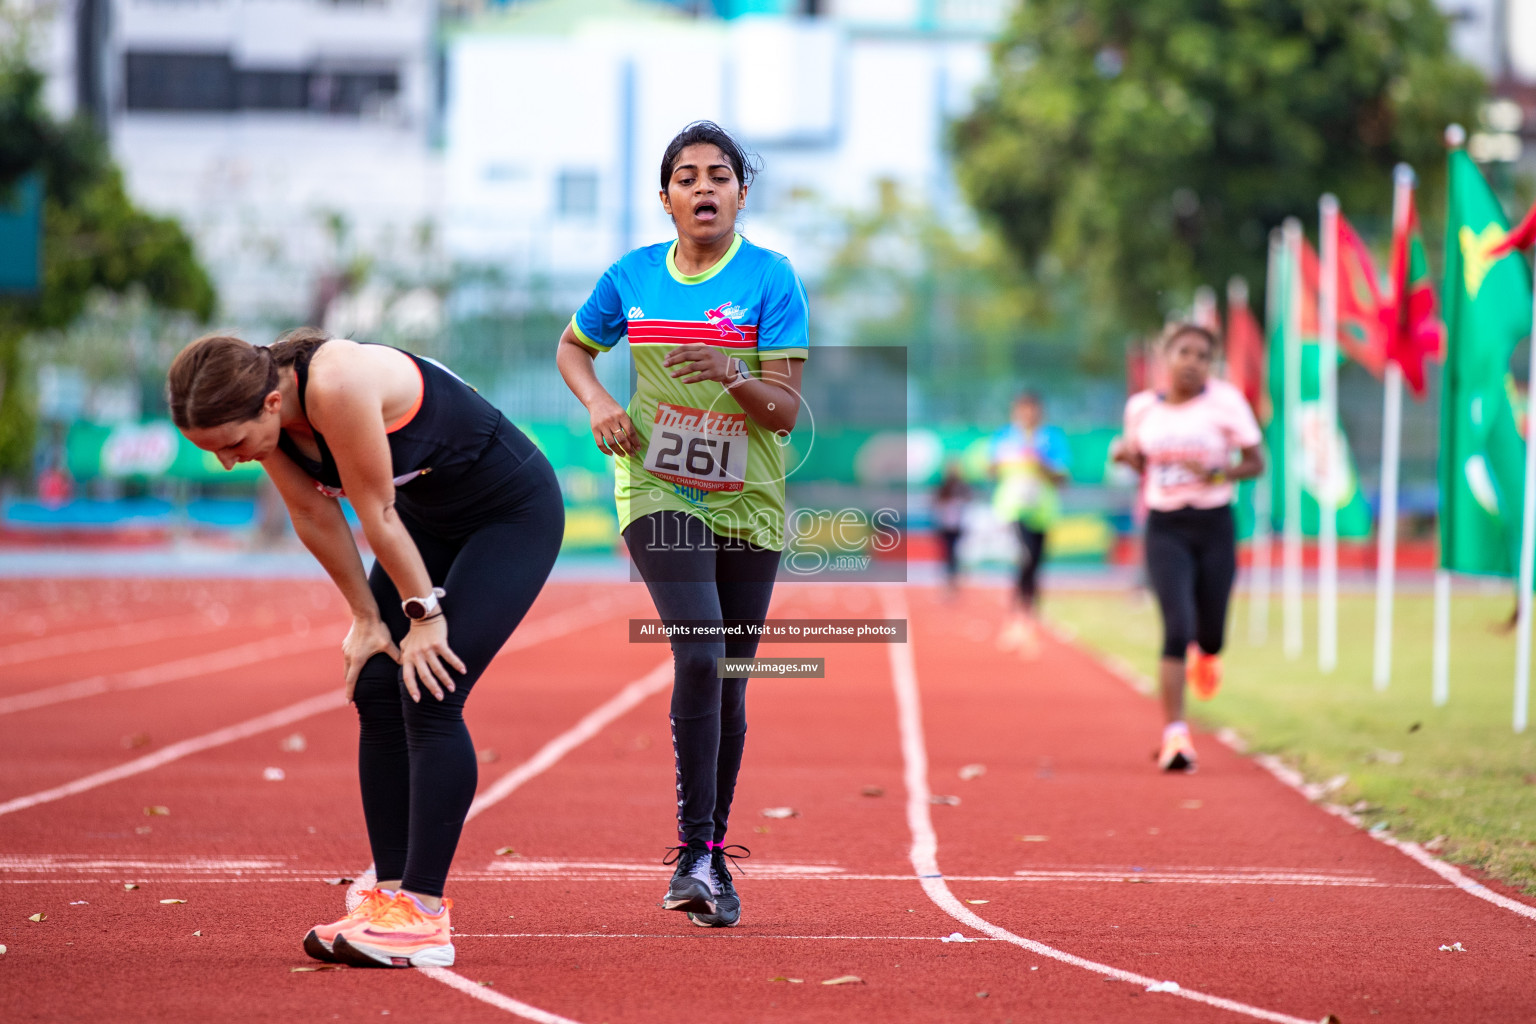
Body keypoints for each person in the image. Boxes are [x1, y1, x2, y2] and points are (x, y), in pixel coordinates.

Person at [167, 328, 564, 966]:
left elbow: (375, 512)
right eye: (213, 451)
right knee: (379, 681)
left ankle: (425, 916)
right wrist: (365, 620)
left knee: (432, 689)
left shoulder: (334, 383)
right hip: (427, 522)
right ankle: (389, 898)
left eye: (233, 444)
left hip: (509, 513)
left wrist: (422, 616)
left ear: (271, 404)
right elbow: (313, 515)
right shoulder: (262, 408)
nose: (228, 461)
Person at [556, 121, 808, 928]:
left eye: (720, 176)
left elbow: (784, 413)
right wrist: (599, 403)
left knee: (728, 676)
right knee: (698, 653)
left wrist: (735, 373)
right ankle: (693, 850)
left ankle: (712, 860)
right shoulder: (630, 277)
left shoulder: (772, 279)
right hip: (657, 488)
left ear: (742, 193)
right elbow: (572, 348)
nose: (705, 188)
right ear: (663, 198)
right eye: (688, 177)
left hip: (752, 498)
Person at [1112, 323, 1264, 772]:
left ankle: (1208, 656)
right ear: (1166, 357)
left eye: (1202, 355)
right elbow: (1140, 461)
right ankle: (1176, 736)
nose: (1192, 362)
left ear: (1210, 365)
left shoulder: (1225, 403)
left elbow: (1256, 461)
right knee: (1178, 626)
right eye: (1184, 352)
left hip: (1215, 523)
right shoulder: (1141, 408)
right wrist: (1125, 455)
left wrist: (1218, 473)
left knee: (1210, 633)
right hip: (1166, 528)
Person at [990, 391, 1070, 658]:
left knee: (1035, 565)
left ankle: (1027, 619)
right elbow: (990, 469)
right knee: (1023, 558)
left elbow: (1062, 477)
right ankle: (1017, 619)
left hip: (1043, 512)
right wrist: (1000, 462)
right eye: (1022, 409)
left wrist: (1040, 465)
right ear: (1015, 412)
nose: (1027, 414)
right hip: (1014, 510)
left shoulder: (1052, 438)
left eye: (1032, 409)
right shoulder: (1004, 437)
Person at [932, 459, 971, 593]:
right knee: (947, 553)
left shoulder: (962, 487)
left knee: (956, 552)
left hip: (958, 525)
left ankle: (954, 577)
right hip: (945, 525)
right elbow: (936, 503)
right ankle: (948, 579)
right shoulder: (943, 487)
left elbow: (969, 500)